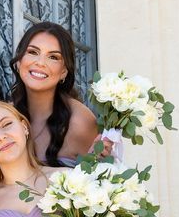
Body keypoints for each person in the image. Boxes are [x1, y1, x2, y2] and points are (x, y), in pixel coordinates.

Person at [10, 22, 112, 167]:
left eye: (53, 57)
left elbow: (100, 181)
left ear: (64, 71)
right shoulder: (5, 118)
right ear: (19, 61)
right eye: (33, 52)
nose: (40, 63)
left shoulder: (80, 122)